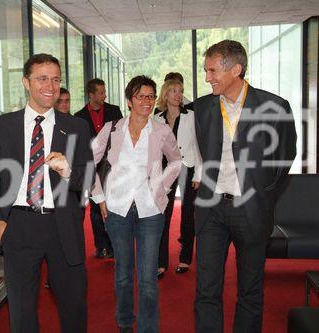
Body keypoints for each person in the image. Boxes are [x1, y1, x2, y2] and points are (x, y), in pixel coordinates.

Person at [194, 40, 297, 333]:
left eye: (212, 70)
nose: (207, 78)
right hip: (211, 209)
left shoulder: (274, 107)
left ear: (236, 69)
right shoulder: (203, 108)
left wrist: (263, 192)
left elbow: (284, 156)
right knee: (206, 289)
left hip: (251, 210)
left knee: (250, 291)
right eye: (206, 71)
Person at [0, 53, 93, 333]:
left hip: (63, 226)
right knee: (21, 311)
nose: (51, 85)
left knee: (73, 305)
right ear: (26, 82)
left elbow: (89, 179)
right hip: (19, 225)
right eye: (42, 78)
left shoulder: (76, 127)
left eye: (56, 79)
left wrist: (67, 171)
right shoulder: (1, 126)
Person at [91, 75, 182, 333]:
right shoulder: (111, 129)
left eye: (151, 96)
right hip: (117, 210)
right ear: (130, 100)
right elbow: (88, 162)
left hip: (150, 211)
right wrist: (99, 197)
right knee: (122, 276)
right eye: (141, 96)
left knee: (148, 280)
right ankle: (124, 324)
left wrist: (161, 187)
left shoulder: (162, 131)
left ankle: (147, 328)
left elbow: (176, 161)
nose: (147, 101)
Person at [154, 79, 202, 278]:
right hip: (166, 169)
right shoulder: (156, 118)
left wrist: (199, 173)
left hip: (189, 167)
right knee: (163, 215)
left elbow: (199, 145)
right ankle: (161, 261)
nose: (178, 94)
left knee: (188, 215)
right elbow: (154, 150)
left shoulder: (191, 116)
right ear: (165, 94)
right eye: (173, 91)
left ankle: (185, 258)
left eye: (180, 91)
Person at [75, 78, 122, 259]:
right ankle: (101, 245)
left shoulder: (114, 111)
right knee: (95, 207)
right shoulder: (79, 117)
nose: (105, 95)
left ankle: (113, 244)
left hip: (111, 164)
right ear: (91, 94)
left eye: (104, 91)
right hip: (91, 164)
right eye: (101, 92)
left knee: (113, 204)